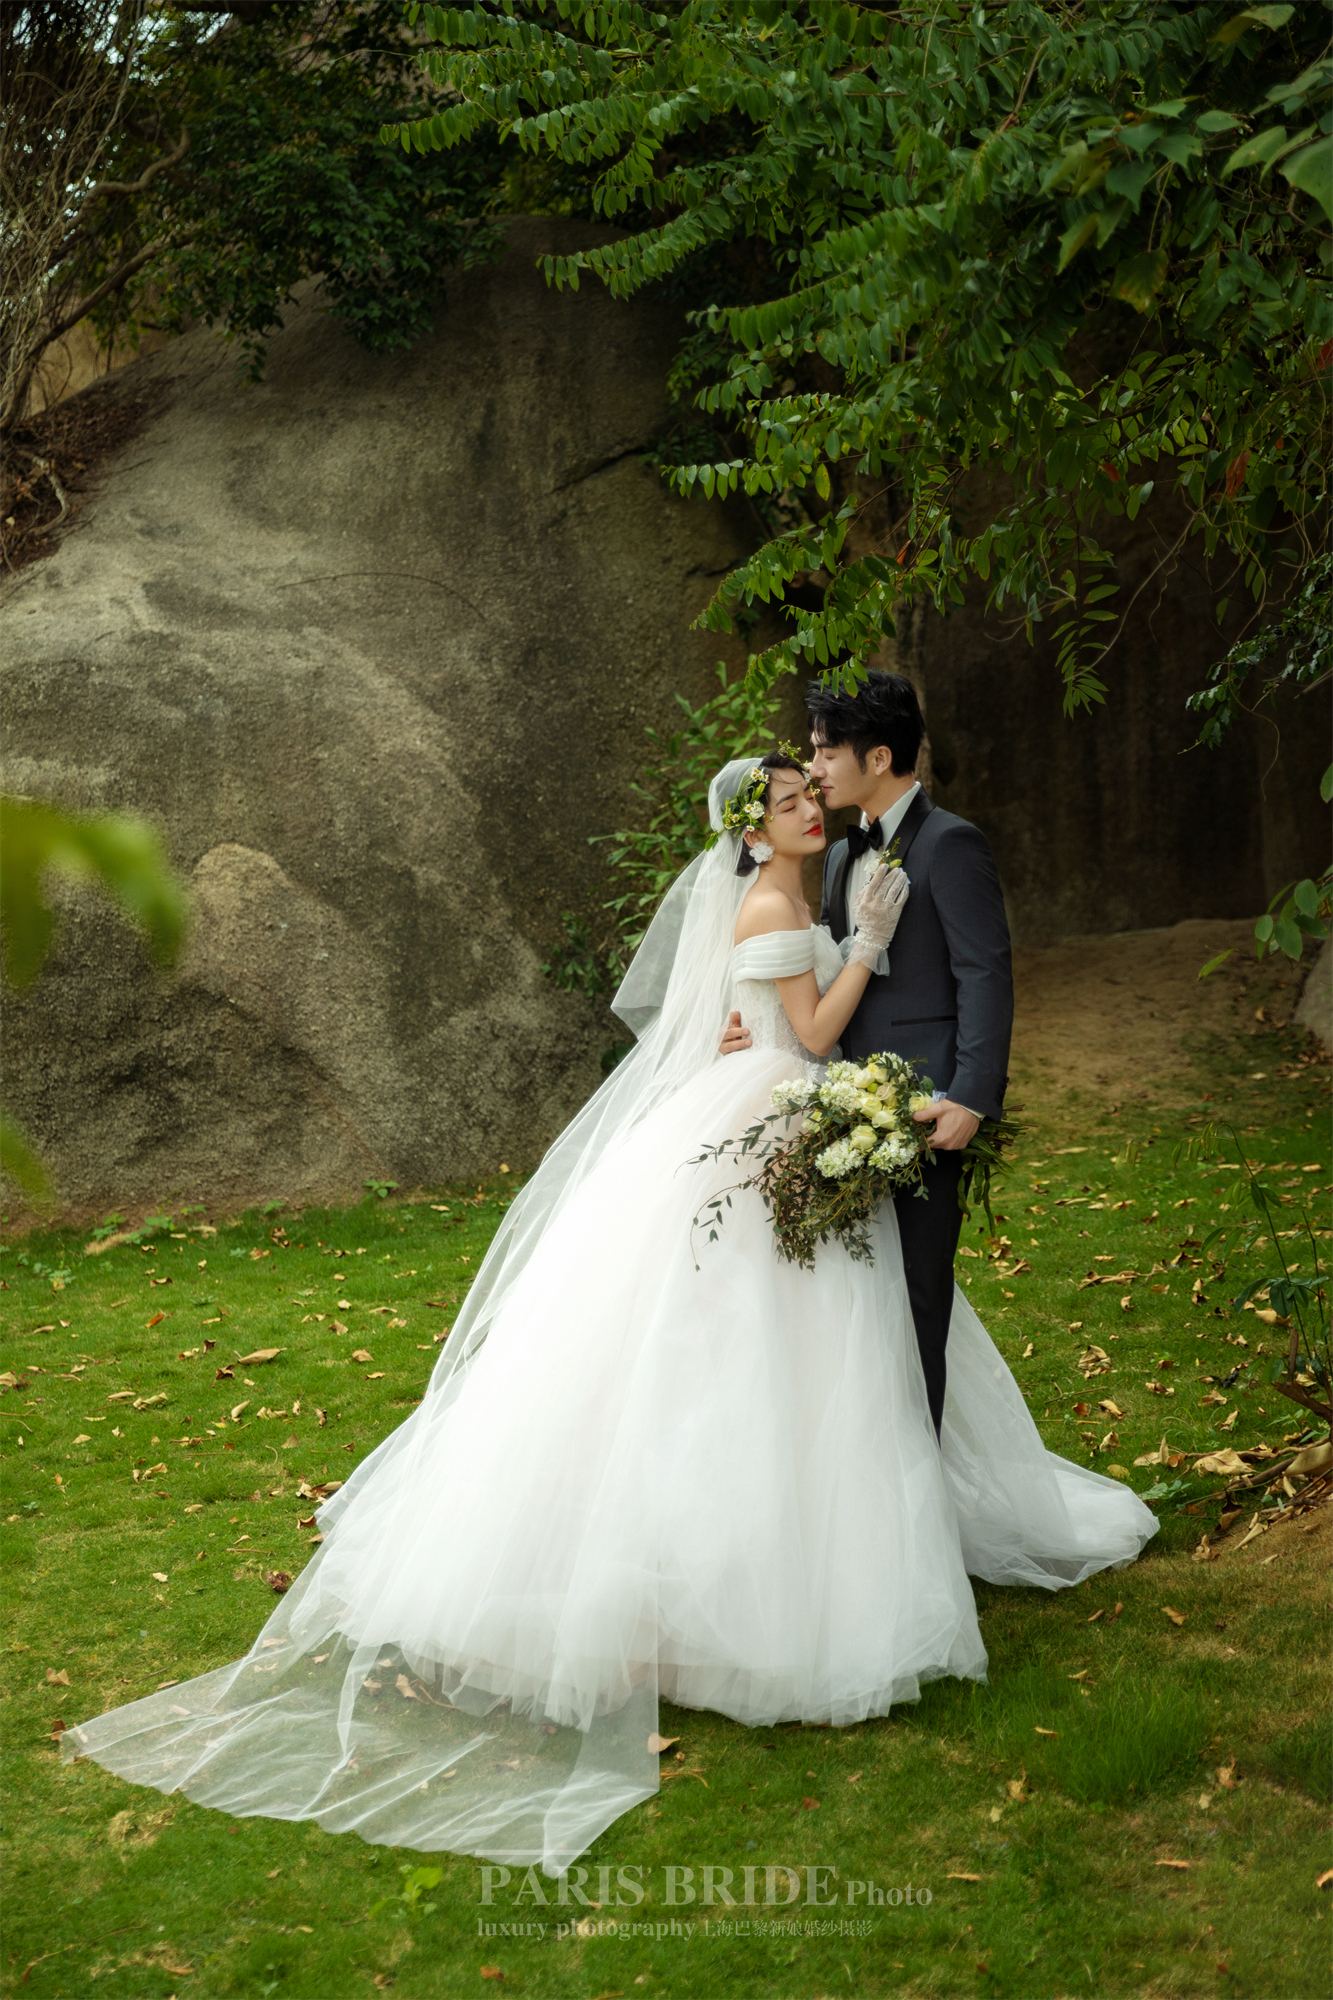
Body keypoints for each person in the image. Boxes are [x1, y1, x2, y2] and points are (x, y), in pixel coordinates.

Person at [63, 753, 1157, 1881]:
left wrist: (812, 985)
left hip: (757, 1108)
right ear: (752, 831)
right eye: (789, 803)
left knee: (756, 1348)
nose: (810, 810)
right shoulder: (776, 902)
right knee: (745, 1349)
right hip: (769, 1113)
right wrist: (870, 944)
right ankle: (729, 1599)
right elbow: (814, 1034)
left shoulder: (787, 893)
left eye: (808, 796)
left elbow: (763, 1017)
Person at [721, 672, 1012, 1441]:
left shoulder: (949, 845)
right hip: (835, 1111)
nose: (813, 769)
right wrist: (742, 1027)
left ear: (877, 757)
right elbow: (810, 982)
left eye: (824, 752)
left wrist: (970, 1096)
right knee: (853, 1308)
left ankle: (921, 1481)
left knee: (918, 1298)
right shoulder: (839, 855)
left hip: (926, 1110)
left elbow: (983, 974)